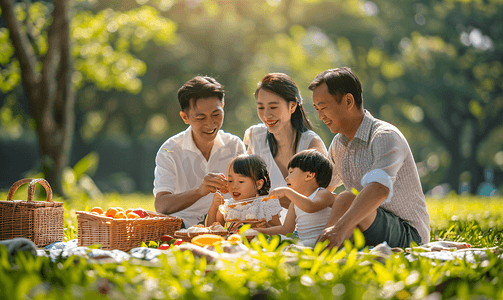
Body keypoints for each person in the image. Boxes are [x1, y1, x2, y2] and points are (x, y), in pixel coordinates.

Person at [311, 67, 430, 249]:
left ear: (348, 101)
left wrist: (339, 229)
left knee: (346, 199)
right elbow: (324, 189)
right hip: (366, 225)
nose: (320, 116)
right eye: (317, 109)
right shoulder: (339, 144)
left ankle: (322, 252)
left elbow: (379, 190)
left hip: (409, 234)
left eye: (324, 108)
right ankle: (323, 250)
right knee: (341, 199)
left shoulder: (384, 136)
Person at [153, 76, 246, 228]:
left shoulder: (234, 145)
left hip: (226, 227)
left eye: (216, 114)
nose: (210, 123)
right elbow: (161, 205)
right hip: (183, 228)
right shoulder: (169, 151)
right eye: (201, 117)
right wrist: (199, 191)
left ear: (223, 105)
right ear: (185, 117)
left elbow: (248, 195)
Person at [244, 73, 334, 214]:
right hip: (265, 224)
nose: (266, 115)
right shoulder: (256, 137)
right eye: (261, 108)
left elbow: (317, 199)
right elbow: (247, 185)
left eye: (273, 107)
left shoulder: (311, 144)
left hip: (303, 225)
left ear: (292, 107)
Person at [254, 149, 335, 247]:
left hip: (319, 241)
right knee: (272, 242)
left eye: (291, 172)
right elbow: (286, 229)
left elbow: (310, 207)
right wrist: (258, 231)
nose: (286, 178)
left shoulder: (323, 193)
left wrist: (286, 191)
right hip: (302, 242)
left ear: (309, 175)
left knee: (288, 246)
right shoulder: (295, 203)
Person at [206, 154, 282, 228]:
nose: (234, 186)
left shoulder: (266, 204)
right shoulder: (227, 207)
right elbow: (212, 229)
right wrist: (214, 206)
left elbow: (279, 230)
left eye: (241, 181)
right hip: (234, 240)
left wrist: (266, 226)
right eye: (230, 181)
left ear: (258, 184)